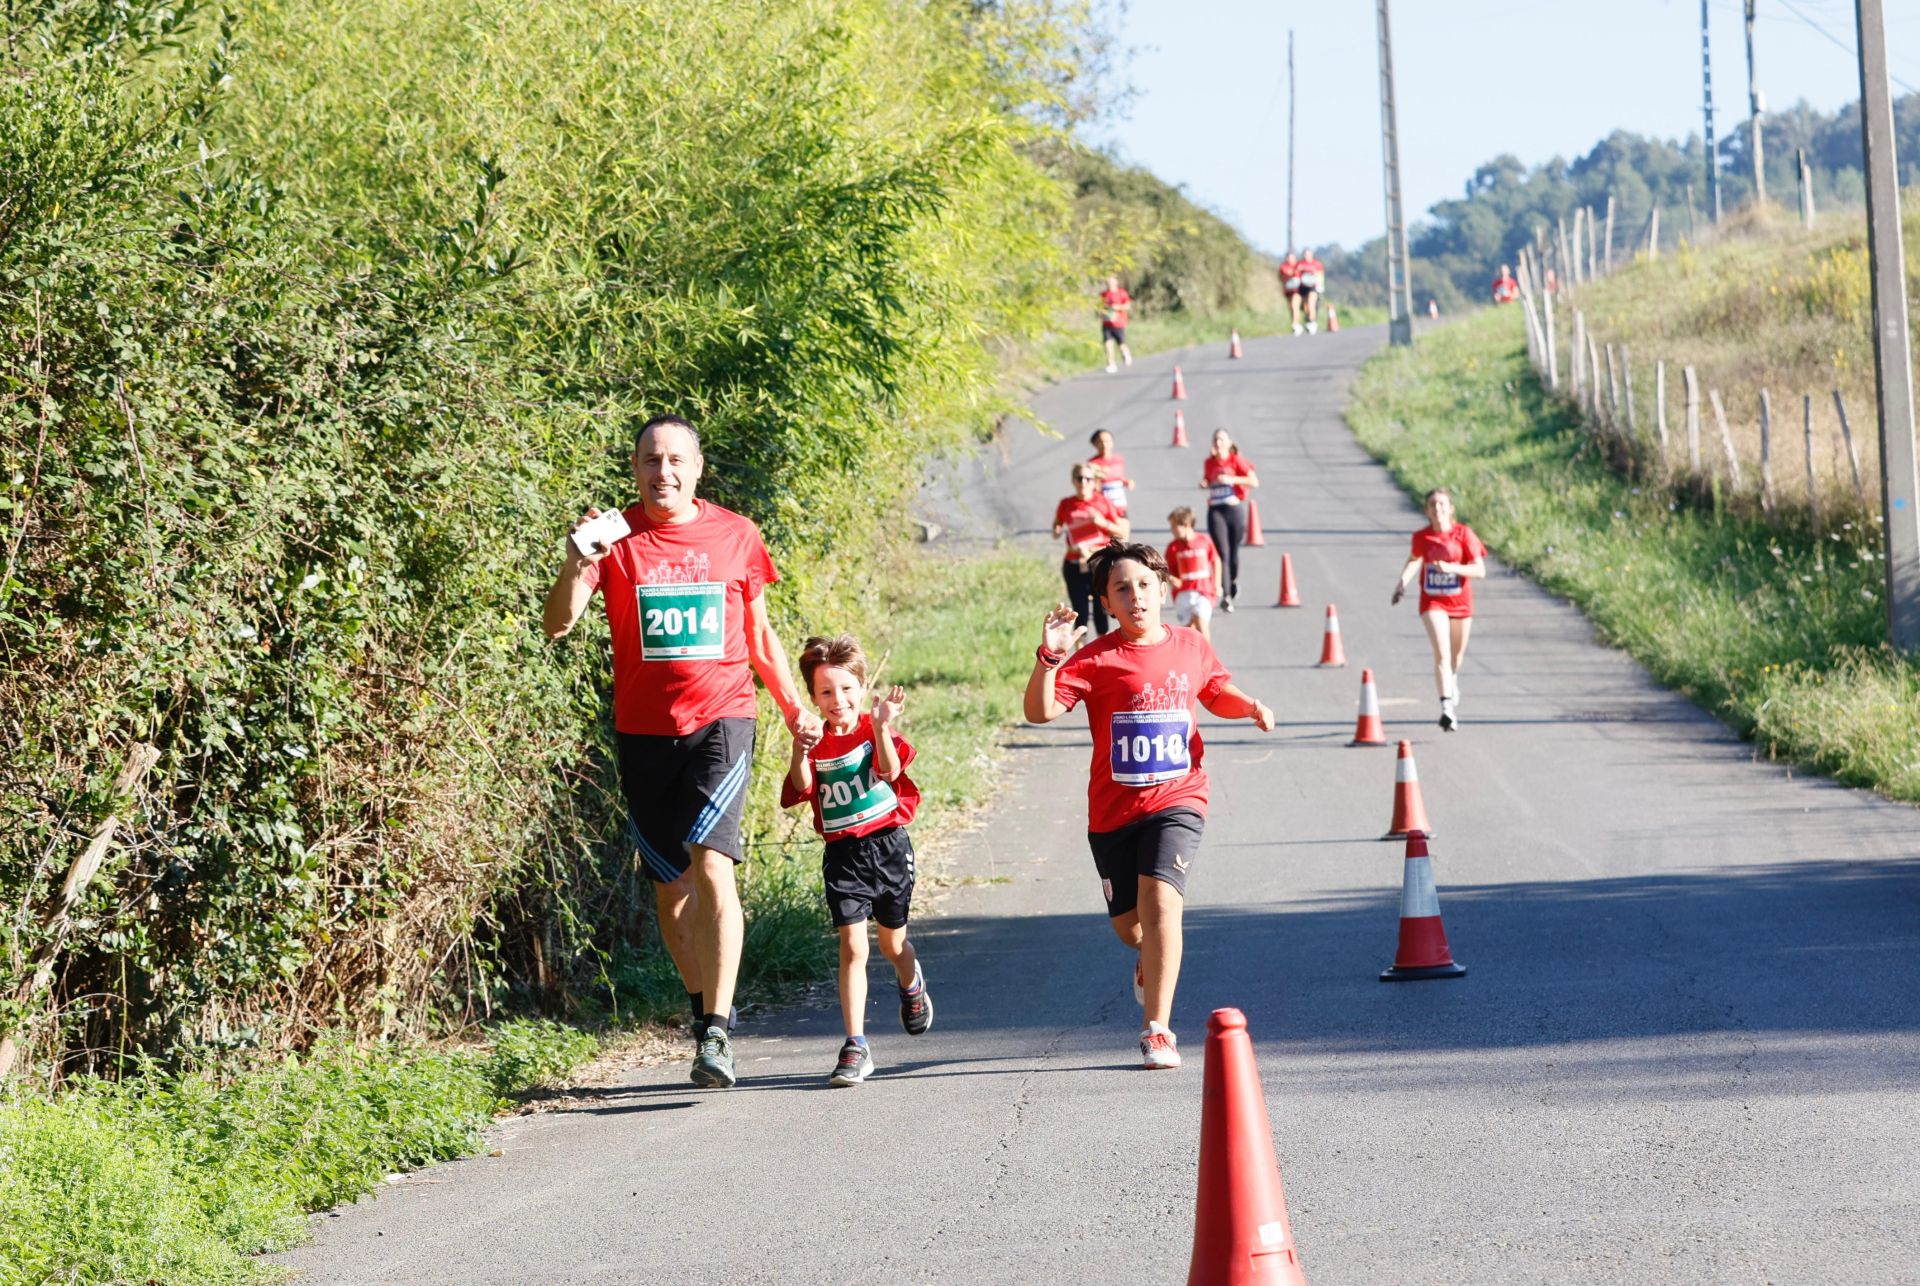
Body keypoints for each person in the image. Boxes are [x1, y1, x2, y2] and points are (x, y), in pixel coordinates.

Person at [543, 414, 819, 1090]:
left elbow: (758, 635)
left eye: (675, 460)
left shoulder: (735, 534)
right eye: (649, 460)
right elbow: (556, 625)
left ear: (698, 469)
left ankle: (718, 1029)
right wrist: (575, 564)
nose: (662, 471)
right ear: (634, 469)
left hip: (722, 720)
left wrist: (792, 707)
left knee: (713, 866)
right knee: (672, 891)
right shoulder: (611, 538)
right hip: (643, 733)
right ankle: (703, 1014)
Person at [1023, 543, 1275, 1069]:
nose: (1135, 596)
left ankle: (1156, 1029)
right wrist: (1049, 659)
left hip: (1179, 797)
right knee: (1131, 928)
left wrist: (1249, 705)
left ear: (1163, 589)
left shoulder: (1190, 644)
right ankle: (1147, 959)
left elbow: (1215, 690)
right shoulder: (1095, 659)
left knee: (1163, 903)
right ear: (1106, 603)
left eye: (1143, 585)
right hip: (1113, 813)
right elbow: (1039, 712)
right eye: (1121, 589)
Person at [783, 634, 931, 1087]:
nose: (837, 700)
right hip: (843, 856)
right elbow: (800, 787)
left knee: (890, 946)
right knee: (853, 947)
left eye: (846, 690)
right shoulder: (815, 741)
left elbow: (889, 771)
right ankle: (856, 1045)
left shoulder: (872, 729)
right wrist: (799, 747)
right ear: (813, 697)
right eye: (825, 692)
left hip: (888, 847)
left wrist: (884, 727)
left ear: (861, 689)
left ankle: (911, 983)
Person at [1391, 487, 1488, 732]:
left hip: (1461, 603)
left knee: (1456, 656)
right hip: (1432, 602)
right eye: (1432, 505)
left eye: (1442, 504)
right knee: (1442, 654)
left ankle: (1452, 679)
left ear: (1450, 509)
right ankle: (1446, 709)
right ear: (1427, 511)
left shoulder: (1464, 535)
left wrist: (1452, 568)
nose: (1437, 509)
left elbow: (1479, 570)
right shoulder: (1422, 538)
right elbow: (1415, 560)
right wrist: (1403, 582)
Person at [1053, 464, 1130, 638]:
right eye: (1079, 478)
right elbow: (1057, 524)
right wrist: (1057, 530)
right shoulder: (1066, 504)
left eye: (1088, 479)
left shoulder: (1102, 502)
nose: (1083, 482)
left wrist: (1102, 522)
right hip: (1075, 561)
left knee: (1101, 607)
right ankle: (1081, 655)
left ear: (1093, 481)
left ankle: (1101, 649)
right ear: (1073, 480)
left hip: (1098, 561)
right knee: (1079, 609)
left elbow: (1123, 531)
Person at [1199, 429, 1258, 612]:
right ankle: (1225, 596)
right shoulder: (1209, 462)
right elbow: (1208, 480)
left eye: (1221, 440)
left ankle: (1232, 582)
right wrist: (1205, 484)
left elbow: (1254, 481)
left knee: (1233, 553)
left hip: (1234, 509)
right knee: (1222, 553)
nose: (1218, 443)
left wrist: (1231, 479)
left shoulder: (1235, 460)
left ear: (1228, 442)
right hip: (1216, 510)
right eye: (1216, 439)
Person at [1163, 507, 1222, 642]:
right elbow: (1164, 570)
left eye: (1174, 526)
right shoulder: (1173, 547)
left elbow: (1216, 560)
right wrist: (1171, 578)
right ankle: (1194, 658)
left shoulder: (1204, 541)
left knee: (1201, 621)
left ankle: (1208, 659)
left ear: (1186, 525)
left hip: (1204, 591)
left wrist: (1217, 584)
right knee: (1190, 631)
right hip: (1183, 594)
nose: (1171, 529)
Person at [1087, 429, 1133, 517]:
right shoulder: (1092, 464)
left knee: (1123, 528)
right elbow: (1091, 488)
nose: (1104, 445)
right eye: (1100, 442)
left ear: (1112, 442)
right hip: (1103, 506)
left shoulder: (1118, 459)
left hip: (1120, 504)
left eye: (1107, 441)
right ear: (1094, 444)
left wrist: (1127, 482)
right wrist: (1098, 477)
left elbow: (1121, 478)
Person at [1099, 275, 1133, 373]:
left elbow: (1128, 305)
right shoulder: (1103, 294)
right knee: (1107, 344)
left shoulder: (1122, 293)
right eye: (1108, 282)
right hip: (1106, 323)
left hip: (1119, 323)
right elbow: (1099, 307)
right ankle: (1111, 364)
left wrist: (1117, 307)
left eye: (1111, 282)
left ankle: (1125, 353)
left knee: (1121, 345)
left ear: (1115, 283)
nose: (1109, 284)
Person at [1296, 250, 1326, 334]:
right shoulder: (1299, 264)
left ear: (1311, 255)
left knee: (1311, 304)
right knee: (1306, 307)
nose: (1306, 256)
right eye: (1305, 254)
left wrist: (1321, 286)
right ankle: (1308, 320)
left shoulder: (1316, 264)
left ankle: (1312, 322)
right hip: (1303, 287)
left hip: (1312, 287)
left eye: (1308, 254)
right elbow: (1295, 274)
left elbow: (1320, 275)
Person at [1278, 250, 1305, 334]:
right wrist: (1296, 270)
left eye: (1291, 257)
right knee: (1291, 308)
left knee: (1294, 305)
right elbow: (1285, 274)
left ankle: (1295, 324)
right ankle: (1297, 324)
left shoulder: (1299, 265)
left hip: (1297, 290)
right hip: (1288, 289)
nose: (1289, 259)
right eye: (1288, 257)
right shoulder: (1284, 266)